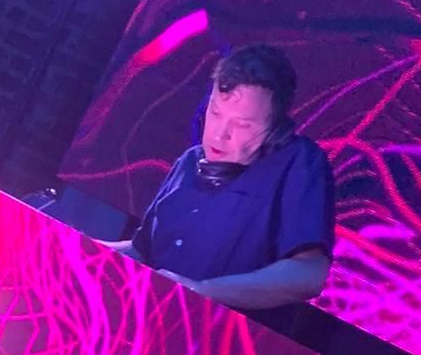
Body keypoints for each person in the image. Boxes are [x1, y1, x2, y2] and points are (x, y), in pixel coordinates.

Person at [111, 44, 335, 309]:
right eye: (215, 113)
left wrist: (201, 292)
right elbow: (141, 251)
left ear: (275, 130)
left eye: (242, 125)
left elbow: (309, 273)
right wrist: (86, 248)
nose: (218, 135)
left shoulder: (299, 163)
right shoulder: (189, 163)